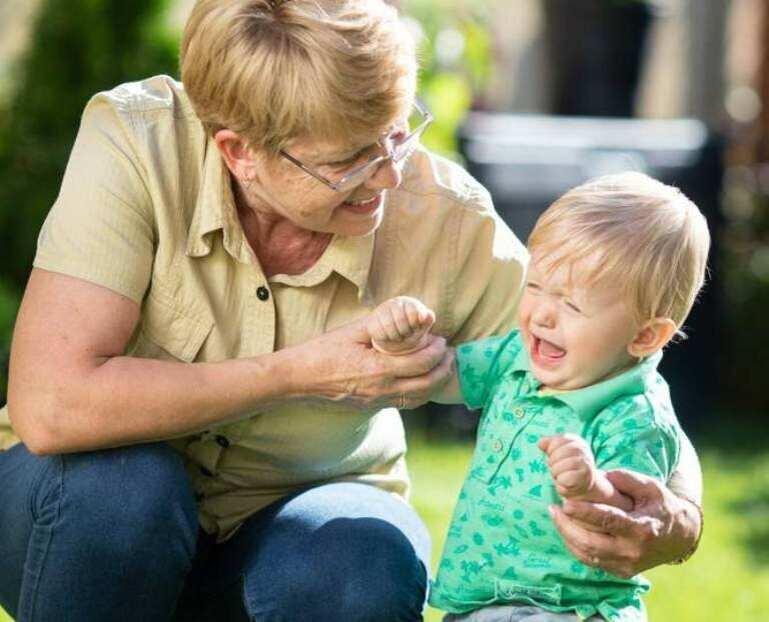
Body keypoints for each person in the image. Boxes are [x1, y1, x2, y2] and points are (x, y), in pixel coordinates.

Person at [0, 0, 701, 619]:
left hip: (294, 532)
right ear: (240, 153)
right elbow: (53, 405)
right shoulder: (139, 143)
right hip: (71, 527)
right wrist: (296, 374)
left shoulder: (442, 215)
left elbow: (624, 372)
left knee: (362, 557)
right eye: (351, 159)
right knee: (123, 495)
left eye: (397, 131)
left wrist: (677, 518)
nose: (391, 173)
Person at [367, 172, 709, 621]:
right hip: (480, 599)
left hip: (568, 609)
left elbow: (627, 521)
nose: (543, 314)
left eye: (573, 304)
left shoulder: (633, 418)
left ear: (645, 335)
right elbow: (444, 374)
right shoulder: (517, 358)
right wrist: (405, 343)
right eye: (536, 287)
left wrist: (591, 485)